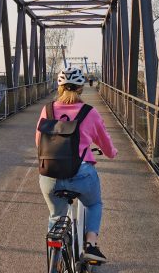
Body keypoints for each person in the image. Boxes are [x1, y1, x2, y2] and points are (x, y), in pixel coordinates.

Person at [36, 67, 118, 263]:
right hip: (81, 173)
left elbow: (39, 141)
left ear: (60, 87)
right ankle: (90, 244)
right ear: (81, 88)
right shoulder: (89, 112)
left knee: (56, 216)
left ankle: (55, 261)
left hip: (50, 175)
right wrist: (112, 153)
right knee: (94, 203)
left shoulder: (47, 110)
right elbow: (105, 143)